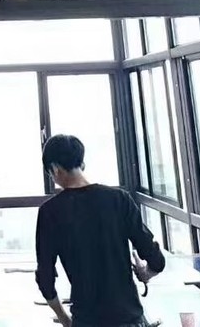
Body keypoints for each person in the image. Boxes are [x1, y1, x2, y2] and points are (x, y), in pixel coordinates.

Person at [35, 134, 165, 327]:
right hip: (129, 319)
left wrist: (65, 320)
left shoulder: (50, 212)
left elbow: (45, 279)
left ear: (55, 169)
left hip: (87, 321)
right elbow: (155, 259)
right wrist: (146, 273)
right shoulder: (119, 199)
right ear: (82, 164)